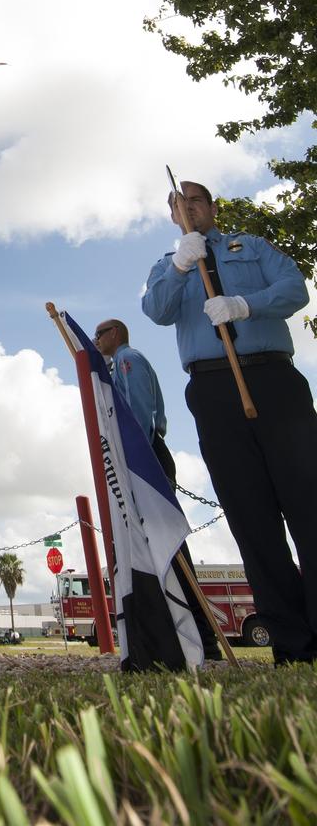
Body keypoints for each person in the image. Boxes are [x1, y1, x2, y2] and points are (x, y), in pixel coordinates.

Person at [142, 180, 317, 664]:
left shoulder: (251, 247)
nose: (189, 208)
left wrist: (247, 305)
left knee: (309, 502)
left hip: (274, 378)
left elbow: (294, 287)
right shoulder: (167, 264)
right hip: (214, 386)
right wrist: (180, 264)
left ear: (212, 208)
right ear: (173, 216)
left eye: (196, 200)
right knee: (250, 516)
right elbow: (156, 310)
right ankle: (293, 645)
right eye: (180, 204)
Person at [94, 318, 222, 661]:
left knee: (169, 544)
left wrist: (134, 457)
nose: (96, 340)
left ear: (115, 333)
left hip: (144, 454)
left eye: (99, 334)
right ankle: (184, 631)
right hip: (140, 455)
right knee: (154, 545)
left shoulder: (127, 360)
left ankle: (203, 635)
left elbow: (137, 413)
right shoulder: (115, 364)